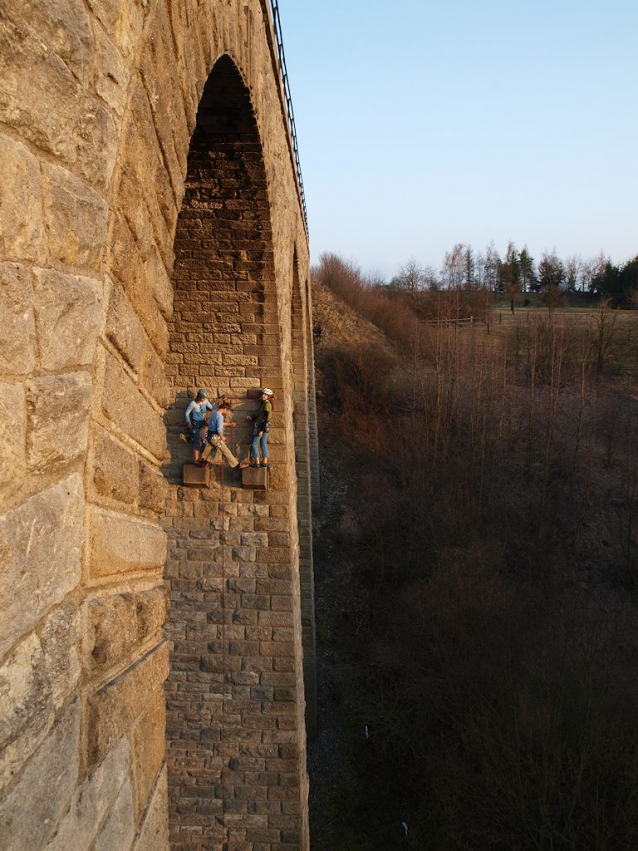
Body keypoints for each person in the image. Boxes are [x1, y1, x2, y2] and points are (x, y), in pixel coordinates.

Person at [202, 399, 241, 470]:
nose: (226, 412)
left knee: (215, 448)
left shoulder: (214, 413)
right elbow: (219, 428)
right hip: (215, 438)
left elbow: (219, 424)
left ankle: (206, 462)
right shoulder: (220, 416)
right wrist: (222, 436)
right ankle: (236, 465)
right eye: (227, 410)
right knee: (226, 451)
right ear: (225, 409)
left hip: (210, 437)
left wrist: (229, 424)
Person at [182, 389, 214, 464]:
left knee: (204, 441)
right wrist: (188, 422)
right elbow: (187, 413)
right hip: (195, 423)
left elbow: (212, 408)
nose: (204, 399)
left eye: (204, 398)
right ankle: (196, 460)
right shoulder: (193, 403)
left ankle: (200, 456)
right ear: (199, 397)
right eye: (202, 398)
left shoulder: (205, 401)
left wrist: (219, 404)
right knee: (196, 441)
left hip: (203, 423)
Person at [246, 388, 274, 467]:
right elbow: (261, 415)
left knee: (254, 444)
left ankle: (257, 462)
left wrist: (261, 429)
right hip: (265, 425)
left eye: (265, 395)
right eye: (263, 394)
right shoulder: (265, 404)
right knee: (263, 443)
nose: (263, 396)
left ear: (268, 396)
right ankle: (264, 461)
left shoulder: (267, 405)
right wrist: (252, 418)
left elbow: (265, 418)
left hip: (261, 425)